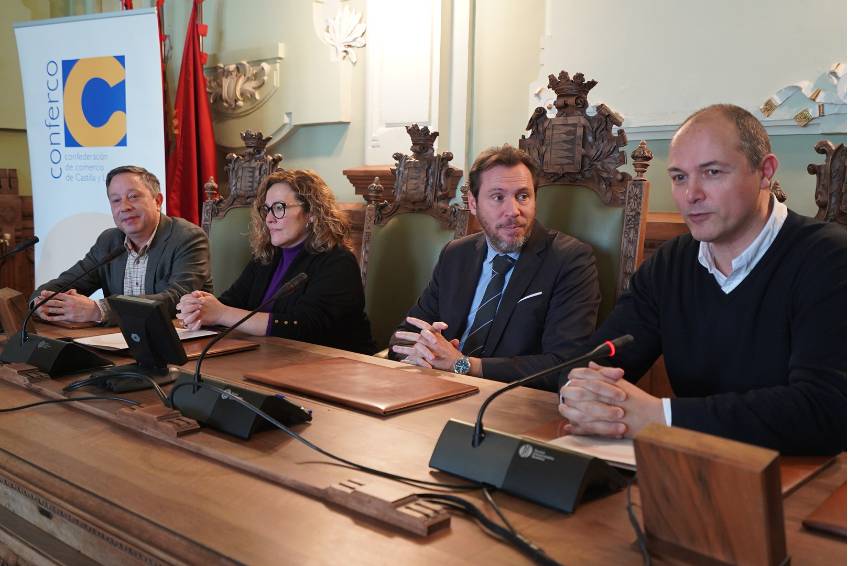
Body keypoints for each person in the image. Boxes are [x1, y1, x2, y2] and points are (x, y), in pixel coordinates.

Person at [558, 104, 846, 455]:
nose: (691, 195)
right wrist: (580, 391)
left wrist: (662, 416)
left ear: (765, 171)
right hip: (693, 464)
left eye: (712, 172)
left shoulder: (829, 257)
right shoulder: (669, 264)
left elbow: (827, 410)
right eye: (679, 177)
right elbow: (598, 360)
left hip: (804, 473)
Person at [389, 144, 600, 386]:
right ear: (473, 203)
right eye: (498, 197)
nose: (513, 211)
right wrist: (423, 352)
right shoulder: (456, 255)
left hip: (513, 399)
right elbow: (403, 337)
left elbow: (565, 364)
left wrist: (463, 365)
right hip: (438, 387)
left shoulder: (569, 260)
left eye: (523, 196)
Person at [176, 169, 376, 355]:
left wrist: (221, 314)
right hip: (270, 358)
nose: (269, 219)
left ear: (312, 213)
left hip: (330, 367)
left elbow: (305, 327)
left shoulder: (338, 263)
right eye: (267, 209)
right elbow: (232, 302)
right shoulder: (267, 257)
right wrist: (200, 307)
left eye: (279, 208)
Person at [32, 165, 212, 324]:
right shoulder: (109, 241)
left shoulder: (187, 238)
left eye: (133, 197)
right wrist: (41, 303)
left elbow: (178, 299)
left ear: (157, 201)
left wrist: (99, 310)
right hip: (118, 340)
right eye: (116, 200)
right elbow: (63, 284)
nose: (124, 207)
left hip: (179, 340)